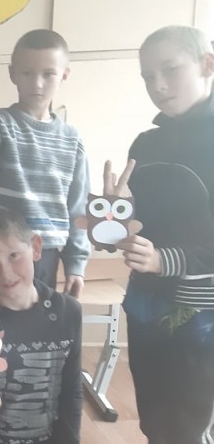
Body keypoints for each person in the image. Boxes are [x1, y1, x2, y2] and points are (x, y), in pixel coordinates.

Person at [119, 25, 214, 443]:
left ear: (207, 64)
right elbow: (137, 223)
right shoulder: (145, 145)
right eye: (147, 76)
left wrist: (164, 260)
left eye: (170, 70)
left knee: (187, 421)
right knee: (154, 415)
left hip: (200, 311)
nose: (157, 84)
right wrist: (112, 218)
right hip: (146, 302)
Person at [0, 29, 89, 297]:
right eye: (27, 73)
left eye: (48, 74)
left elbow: (77, 207)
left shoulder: (72, 139)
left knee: (37, 322)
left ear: (64, 75)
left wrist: (76, 265)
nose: (37, 83)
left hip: (44, 255)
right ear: (12, 74)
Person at [0, 206, 82, 443]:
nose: (5, 273)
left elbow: (72, 390)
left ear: (35, 247)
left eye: (14, 256)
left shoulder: (68, 312)